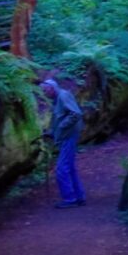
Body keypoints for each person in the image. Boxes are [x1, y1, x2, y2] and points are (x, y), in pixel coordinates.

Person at [40, 79, 85, 208]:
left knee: (61, 168)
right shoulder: (57, 99)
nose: (44, 93)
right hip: (66, 136)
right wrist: (52, 132)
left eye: (45, 90)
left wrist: (62, 126)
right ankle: (79, 196)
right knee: (69, 168)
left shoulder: (63, 95)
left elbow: (75, 114)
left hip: (69, 136)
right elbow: (61, 117)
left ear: (52, 88)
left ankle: (70, 199)